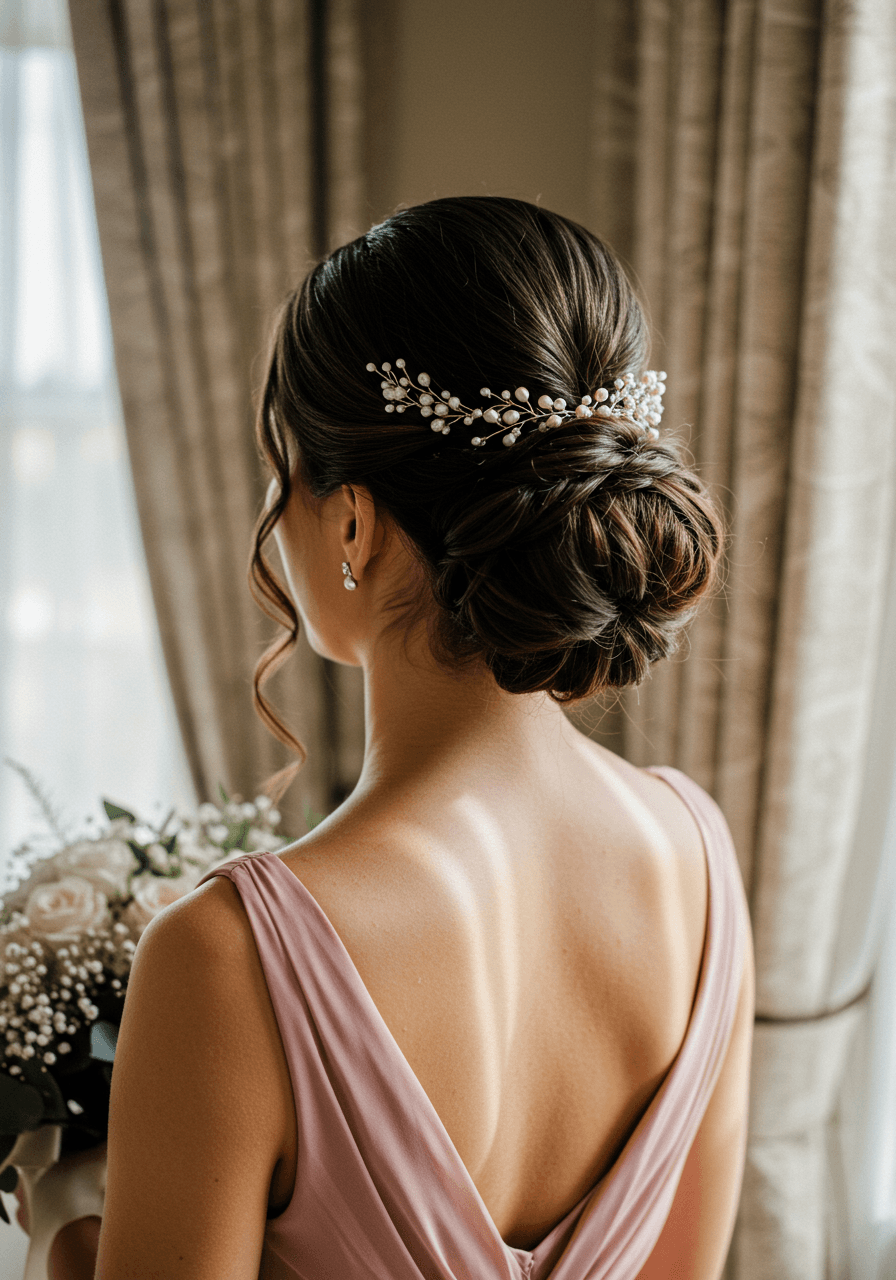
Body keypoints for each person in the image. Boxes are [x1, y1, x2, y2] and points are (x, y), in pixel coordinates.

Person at [84, 196, 751, 1279]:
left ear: (349, 519)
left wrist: (72, 1232)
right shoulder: (697, 858)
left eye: (281, 469)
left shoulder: (224, 955)